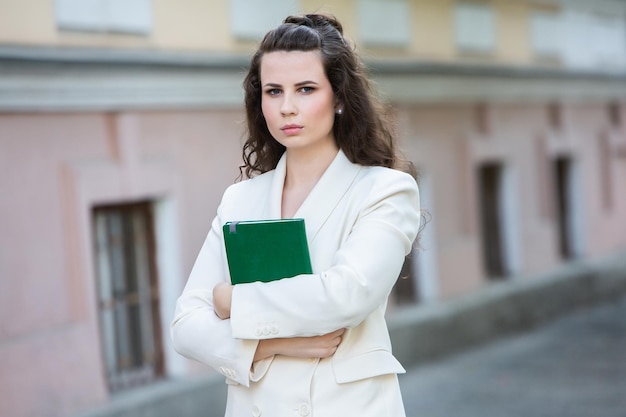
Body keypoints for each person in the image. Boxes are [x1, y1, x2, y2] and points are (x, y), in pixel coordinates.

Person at [171, 13, 421, 417]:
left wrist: (232, 299)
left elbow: (346, 295)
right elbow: (185, 327)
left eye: (305, 89)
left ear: (338, 97)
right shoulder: (239, 200)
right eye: (273, 91)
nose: (287, 108)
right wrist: (272, 344)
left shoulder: (384, 190)